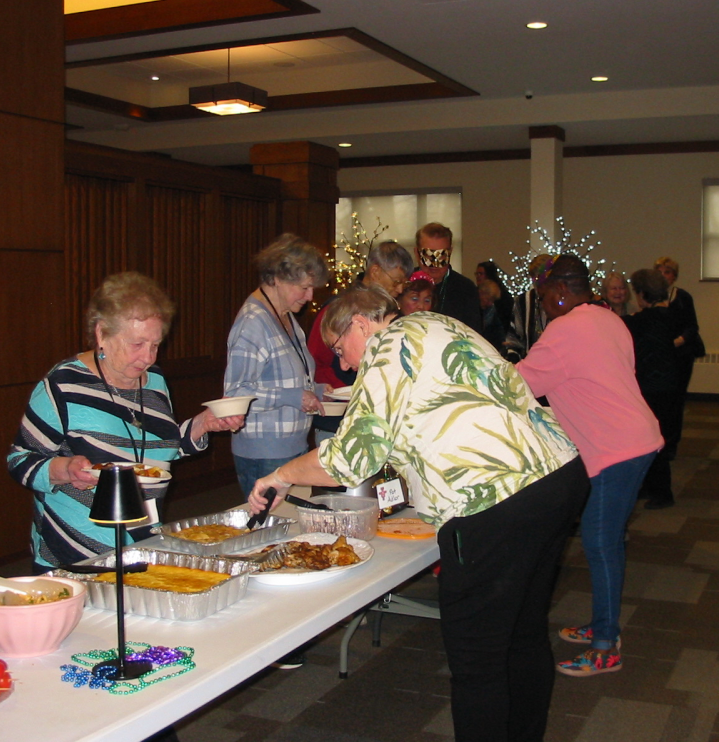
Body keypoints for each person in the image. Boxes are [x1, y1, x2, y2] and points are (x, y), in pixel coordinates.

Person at [248, 287, 587, 742]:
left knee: (479, 660)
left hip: (496, 500)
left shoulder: (389, 345)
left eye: (338, 348)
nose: (343, 364)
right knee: (522, 635)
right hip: (555, 476)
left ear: (360, 324)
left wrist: (282, 475)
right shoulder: (437, 323)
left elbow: (350, 459)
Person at [7, 272, 244, 572]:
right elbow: (20, 460)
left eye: (155, 344)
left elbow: (157, 450)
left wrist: (203, 424)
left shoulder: (154, 381)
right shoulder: (64, 384)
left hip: (143, 545)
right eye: (137, 344)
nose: (148, 357)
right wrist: (64, 469)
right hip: (76, 551)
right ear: (102, 334)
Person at [516, 254, 662, 677]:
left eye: (544, 295)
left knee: (600, 542)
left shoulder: (565, 329)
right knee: (607, 540)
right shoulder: (608, 318)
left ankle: (605, 646)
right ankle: (603, 625)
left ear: (561, 291)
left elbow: (519, 385)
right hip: (634, 438)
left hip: (617, 449)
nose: (543, 305)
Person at [224, 234, 329, 499]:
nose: (310, 296)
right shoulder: (253, 323)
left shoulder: (285, 316)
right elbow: (235, 394)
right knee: (273, 525)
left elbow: (285, 378)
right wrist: (294, 397)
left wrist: (317, 391)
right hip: (265, 454)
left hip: (292, 447)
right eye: (304, 287)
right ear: (278, 278)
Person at [308, 241, 413, 444]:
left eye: (404, 283)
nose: (400, 289)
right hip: (337, 421)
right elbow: (314, 363)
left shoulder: (391, 318)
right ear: (375, 271)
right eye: (396, 281)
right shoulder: (337, 311)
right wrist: (346, 391)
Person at [624, 269, 681, 509]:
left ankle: (662, 493)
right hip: (669, 385)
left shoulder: (642, 320)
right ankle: (651, 487)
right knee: (657, 438)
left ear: (642, 294)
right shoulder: (670, 316)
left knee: (652, 440)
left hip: (651, 387)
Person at [654, 256, 705, 446]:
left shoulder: (683, 297)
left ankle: (671, 443)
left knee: (676, 400)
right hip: (659, 355)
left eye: (667, 272)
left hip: (681, 354)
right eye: (659, 272)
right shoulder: (651, 298)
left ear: (674, 276)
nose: (663, 276)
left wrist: (678, 341)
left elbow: (692, 326)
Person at [415, 222, 482, 332]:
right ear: (417, 254)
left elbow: (473, 333)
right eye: (428, 255)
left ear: (450, 253)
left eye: (441, 256)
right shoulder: (405, 285)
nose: (435, 264)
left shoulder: (466, 289)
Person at [504, 253, 553, 363]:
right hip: (530, 363)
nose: (538, 284)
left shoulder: (561, 300)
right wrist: (513, 359)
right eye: (535, 279)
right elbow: (514, 338)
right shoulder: (523, 301)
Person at [476, 260, 514, 331]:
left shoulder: (504, 297)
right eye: (477, 274)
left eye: (481, 274)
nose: (478, 277)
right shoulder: (474, 293)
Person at [478, 279, 507, 353]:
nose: (490, 303)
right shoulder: (470, 308)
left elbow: (498, 329)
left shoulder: (491, 310)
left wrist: (502, 342)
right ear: (480, 293)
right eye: (488, 299)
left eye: (492, 300)